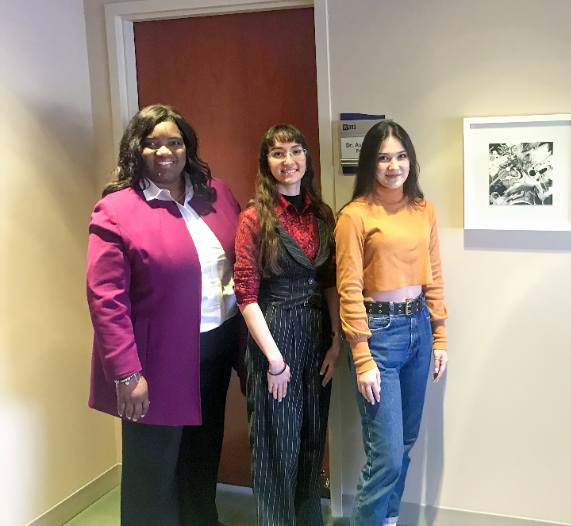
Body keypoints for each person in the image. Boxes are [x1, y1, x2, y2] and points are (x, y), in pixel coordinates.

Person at [86, 104, 242, 526]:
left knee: (201, 454)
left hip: (216, 347)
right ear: (136, 150)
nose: (165, 152)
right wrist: (125, 374)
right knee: (153, 470)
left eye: (174, 142)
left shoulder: (217, 195)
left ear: (187, 148)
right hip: (154, 362)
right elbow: (106, 298)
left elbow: (243, 264)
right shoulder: (117, 209)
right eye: (152, 143)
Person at [334, 120, 449, 526]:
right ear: (370, 164)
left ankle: (389, 520)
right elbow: (348, 289)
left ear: (411, 162)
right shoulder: (354, 216)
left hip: (418, 327)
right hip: (377, 335)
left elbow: (432, 275)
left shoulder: (424, 210)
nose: (393, 165)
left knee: (405, 445)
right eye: (383, 157)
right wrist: (361, 356)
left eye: (401, 156)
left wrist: (439, 335)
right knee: (385, 455)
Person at [233, 124, 342, 526]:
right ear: (266, 163)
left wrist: (336, 341)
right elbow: (246, 295)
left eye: (296, 151)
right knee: (277, 448)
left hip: (317, 337)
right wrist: (275, 362)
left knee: (313, 441)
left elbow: (329, 281)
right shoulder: (253, 219)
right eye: (278, 153)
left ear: (307, 159)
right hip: (274, 338)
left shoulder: (322, 215)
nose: (288, 160)